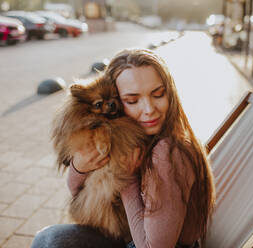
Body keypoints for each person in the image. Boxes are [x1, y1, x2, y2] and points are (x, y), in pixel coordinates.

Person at [31, 49, 215, 248]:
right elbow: (78, 195)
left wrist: (126, 178)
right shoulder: (131, 136)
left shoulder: (167, 152)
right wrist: (80, 166)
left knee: (50, 242)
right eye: (132, 100)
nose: (148, 109)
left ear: (171, 93)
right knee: (49, 239)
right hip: (129, 234)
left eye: (158, 94)